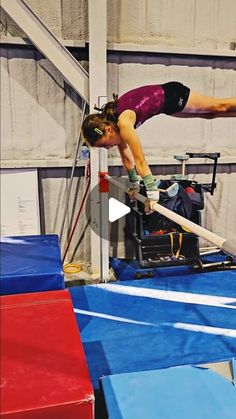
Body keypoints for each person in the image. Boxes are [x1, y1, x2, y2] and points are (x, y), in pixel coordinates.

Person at [82, 81, 236, 206]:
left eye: (104, 145)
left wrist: (151, 190)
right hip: (166, 105)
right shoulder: (117, 126)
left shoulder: (124, 122)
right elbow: (127, 159)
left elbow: (139, 159)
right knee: (210, 115)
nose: (108, 148)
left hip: (172, 95)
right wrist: (134, 184)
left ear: (108, 129)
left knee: (219, 106)